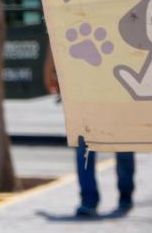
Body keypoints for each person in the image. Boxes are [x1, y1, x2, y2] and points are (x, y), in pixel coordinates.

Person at [44, 47, 135, 216]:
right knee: (85, 143)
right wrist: (49, 68)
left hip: (116, 80)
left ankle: (121, 195)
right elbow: (56, 31)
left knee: (121, 142)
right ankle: (90, 200)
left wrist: (49, 69)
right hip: (85, 83)